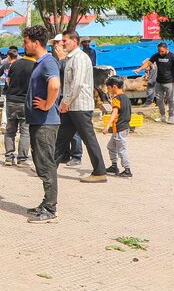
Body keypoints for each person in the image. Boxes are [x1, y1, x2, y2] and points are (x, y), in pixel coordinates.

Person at [56, 31, 108, 183]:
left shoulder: (79, 58)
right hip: (73, 105)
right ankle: (48, 167)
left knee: (88, 138)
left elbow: (77, 83)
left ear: (74, 41)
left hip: (79, 105)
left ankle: (99, 171)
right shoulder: (71, 58)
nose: (62, 44)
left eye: (65, 41)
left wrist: (66, 101)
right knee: (62, 137)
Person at [24, 25, 62, 224]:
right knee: (41, 163)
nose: (24, 45)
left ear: (35, 42)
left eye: (26, 41)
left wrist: (47, 104)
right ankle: (46, 202)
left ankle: (50, 209)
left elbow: (54, 84)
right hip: (39, 121)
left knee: (46, 165)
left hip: (46, 123)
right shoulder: (41, 62)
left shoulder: (48, 62)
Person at [139, 42, 174, 123]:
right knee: (159, 100)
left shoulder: (173, 57)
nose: (160, 53)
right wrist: (139, 69)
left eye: (162, 51)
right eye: (159, 51)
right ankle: (163, 116)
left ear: (166, 49)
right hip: (158, 82)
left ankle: (171, 116)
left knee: (170, 100)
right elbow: (148, 63)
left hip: (169, 82)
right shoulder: (156, 55)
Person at [103, 77, 133, 178]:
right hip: (122, 128)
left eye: (108, 88)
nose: (108, 91)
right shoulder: (126, 97)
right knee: (111, 146)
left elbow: (115, 113)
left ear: (114, 87)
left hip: (120, 128)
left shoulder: (116, 99)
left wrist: (107, 125)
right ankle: (114, 166)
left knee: (121, 149)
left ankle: (127, 169)